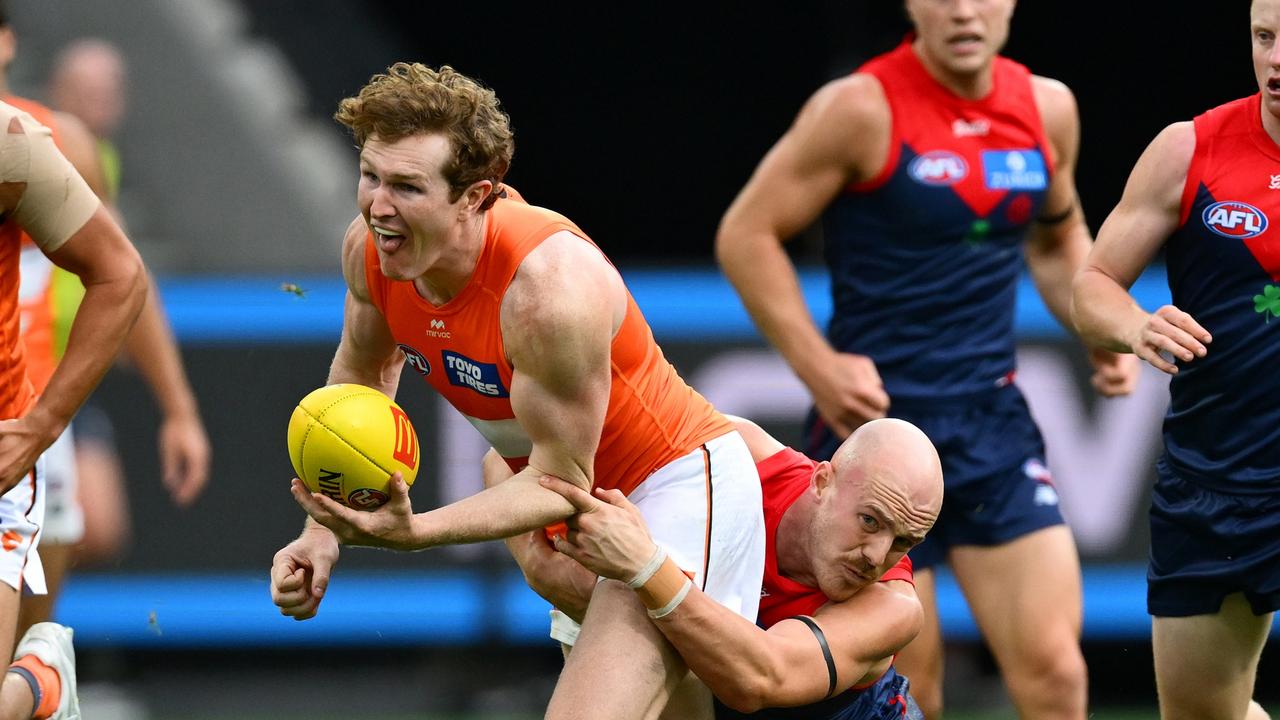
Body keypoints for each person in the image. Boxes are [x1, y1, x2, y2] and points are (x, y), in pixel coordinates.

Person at [268, 62, 765, 719]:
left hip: (669, 491)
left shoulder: (547, 289)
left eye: (408, 187)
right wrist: (324, 531)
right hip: (585, 516)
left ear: (476, 196)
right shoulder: (372, 249)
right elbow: (360, 381)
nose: (378, 206)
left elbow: (560, 477)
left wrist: (414, 532)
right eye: (371, 176)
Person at [714, 2, 1142, 718]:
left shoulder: (1046, 107)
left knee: (1057, 674)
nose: (965, 11)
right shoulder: (859, 108)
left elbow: (1055, 237)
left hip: (990, 422)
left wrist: (1097, 324)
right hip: (878, 436)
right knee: (917, 686)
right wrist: (818, 366)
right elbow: (746, 233)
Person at [1071, 3, 1280, 719]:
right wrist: (1134, 327)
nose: (1276, 58)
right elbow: (1091, 287)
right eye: (1263, 37)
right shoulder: (1190, 150)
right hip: (1213, 481)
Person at [489, 416, 942, 720]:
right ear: (823, 481)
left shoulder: (894, 607)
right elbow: (508, 457)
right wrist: (534, 560)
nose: (876, 555)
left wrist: (644, 566)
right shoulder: (730, 456)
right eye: (870, 522)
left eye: (903, 542)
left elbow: (761, 677)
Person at [0, 18, 211, 638]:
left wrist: (178, 407)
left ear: (8, 41)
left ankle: (41, 671)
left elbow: (123, 276)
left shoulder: (49, 142)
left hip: (24, 415)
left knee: (29, 629)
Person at [0, 91, 146, 718]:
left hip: (8, 437)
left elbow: (121, 274)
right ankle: (35, 687)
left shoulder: (14, 139)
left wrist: (44, 424)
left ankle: (39, 682)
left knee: (102, 526)